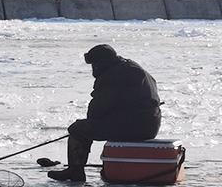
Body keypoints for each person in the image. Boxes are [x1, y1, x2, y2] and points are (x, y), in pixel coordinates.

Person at [48, 44, 162, 182]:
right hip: (150, 124)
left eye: (93, 64)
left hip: (134, 126)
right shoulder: (130, 66)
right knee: (90, 126)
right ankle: (76, 170)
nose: (92, 68)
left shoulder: (113, 75)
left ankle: (75, 171)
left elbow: (96, 111)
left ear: (100, 63)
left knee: (78, 129)